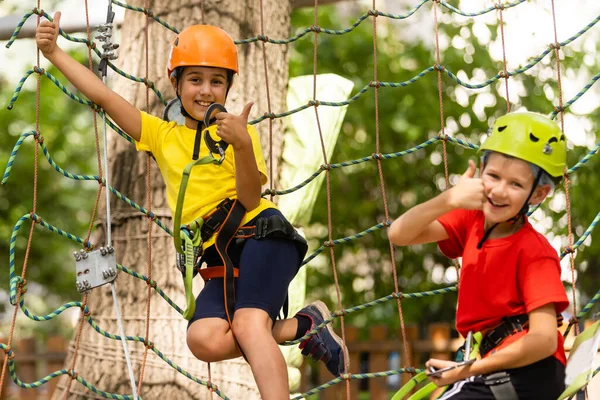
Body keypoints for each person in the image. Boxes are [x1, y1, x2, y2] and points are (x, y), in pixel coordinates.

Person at [36, 13, 346, 399]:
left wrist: (243, 145)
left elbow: (250, 198)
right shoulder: (161, 135)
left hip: (263, 236)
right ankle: (304, 325)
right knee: (203, 340)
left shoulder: (238, 132)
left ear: (228, 88)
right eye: (195, 79)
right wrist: (53, 53)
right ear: (176, 83)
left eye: (217, 81)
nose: (206, 90)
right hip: (220, 257)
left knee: (250, 325)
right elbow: (103, 96)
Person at [388, 112, 569, 400]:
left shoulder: (535, 252)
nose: (499, 190)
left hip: (529, 371)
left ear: (538, 194)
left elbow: (544, 340)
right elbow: (399, 234)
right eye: (493, 176)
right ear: (481, 169)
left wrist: (467, 370)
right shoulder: (472, 221)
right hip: (493, 364)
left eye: (516, 184)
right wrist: (449, 199)